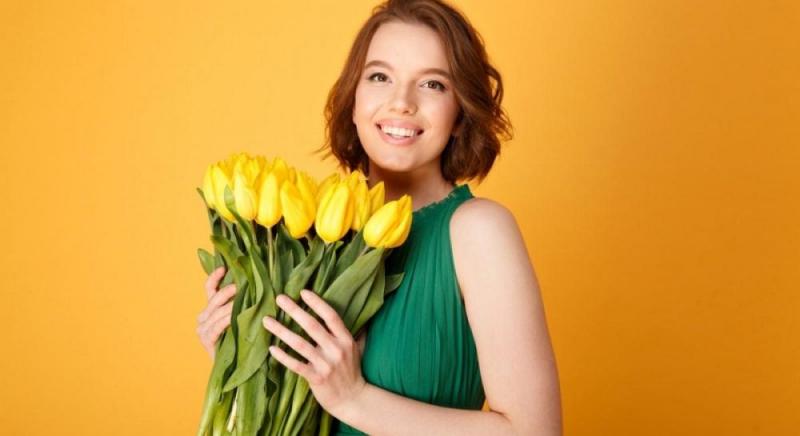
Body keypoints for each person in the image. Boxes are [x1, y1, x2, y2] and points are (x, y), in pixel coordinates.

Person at [196, 0, 562, 434]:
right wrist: (242, 360)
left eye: (432, 84)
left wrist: (354, 398)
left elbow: (535, 431)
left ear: (460, 115)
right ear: (353, 100)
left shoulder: (478, 231)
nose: (401, 102)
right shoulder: (304, 236)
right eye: (380, 77)